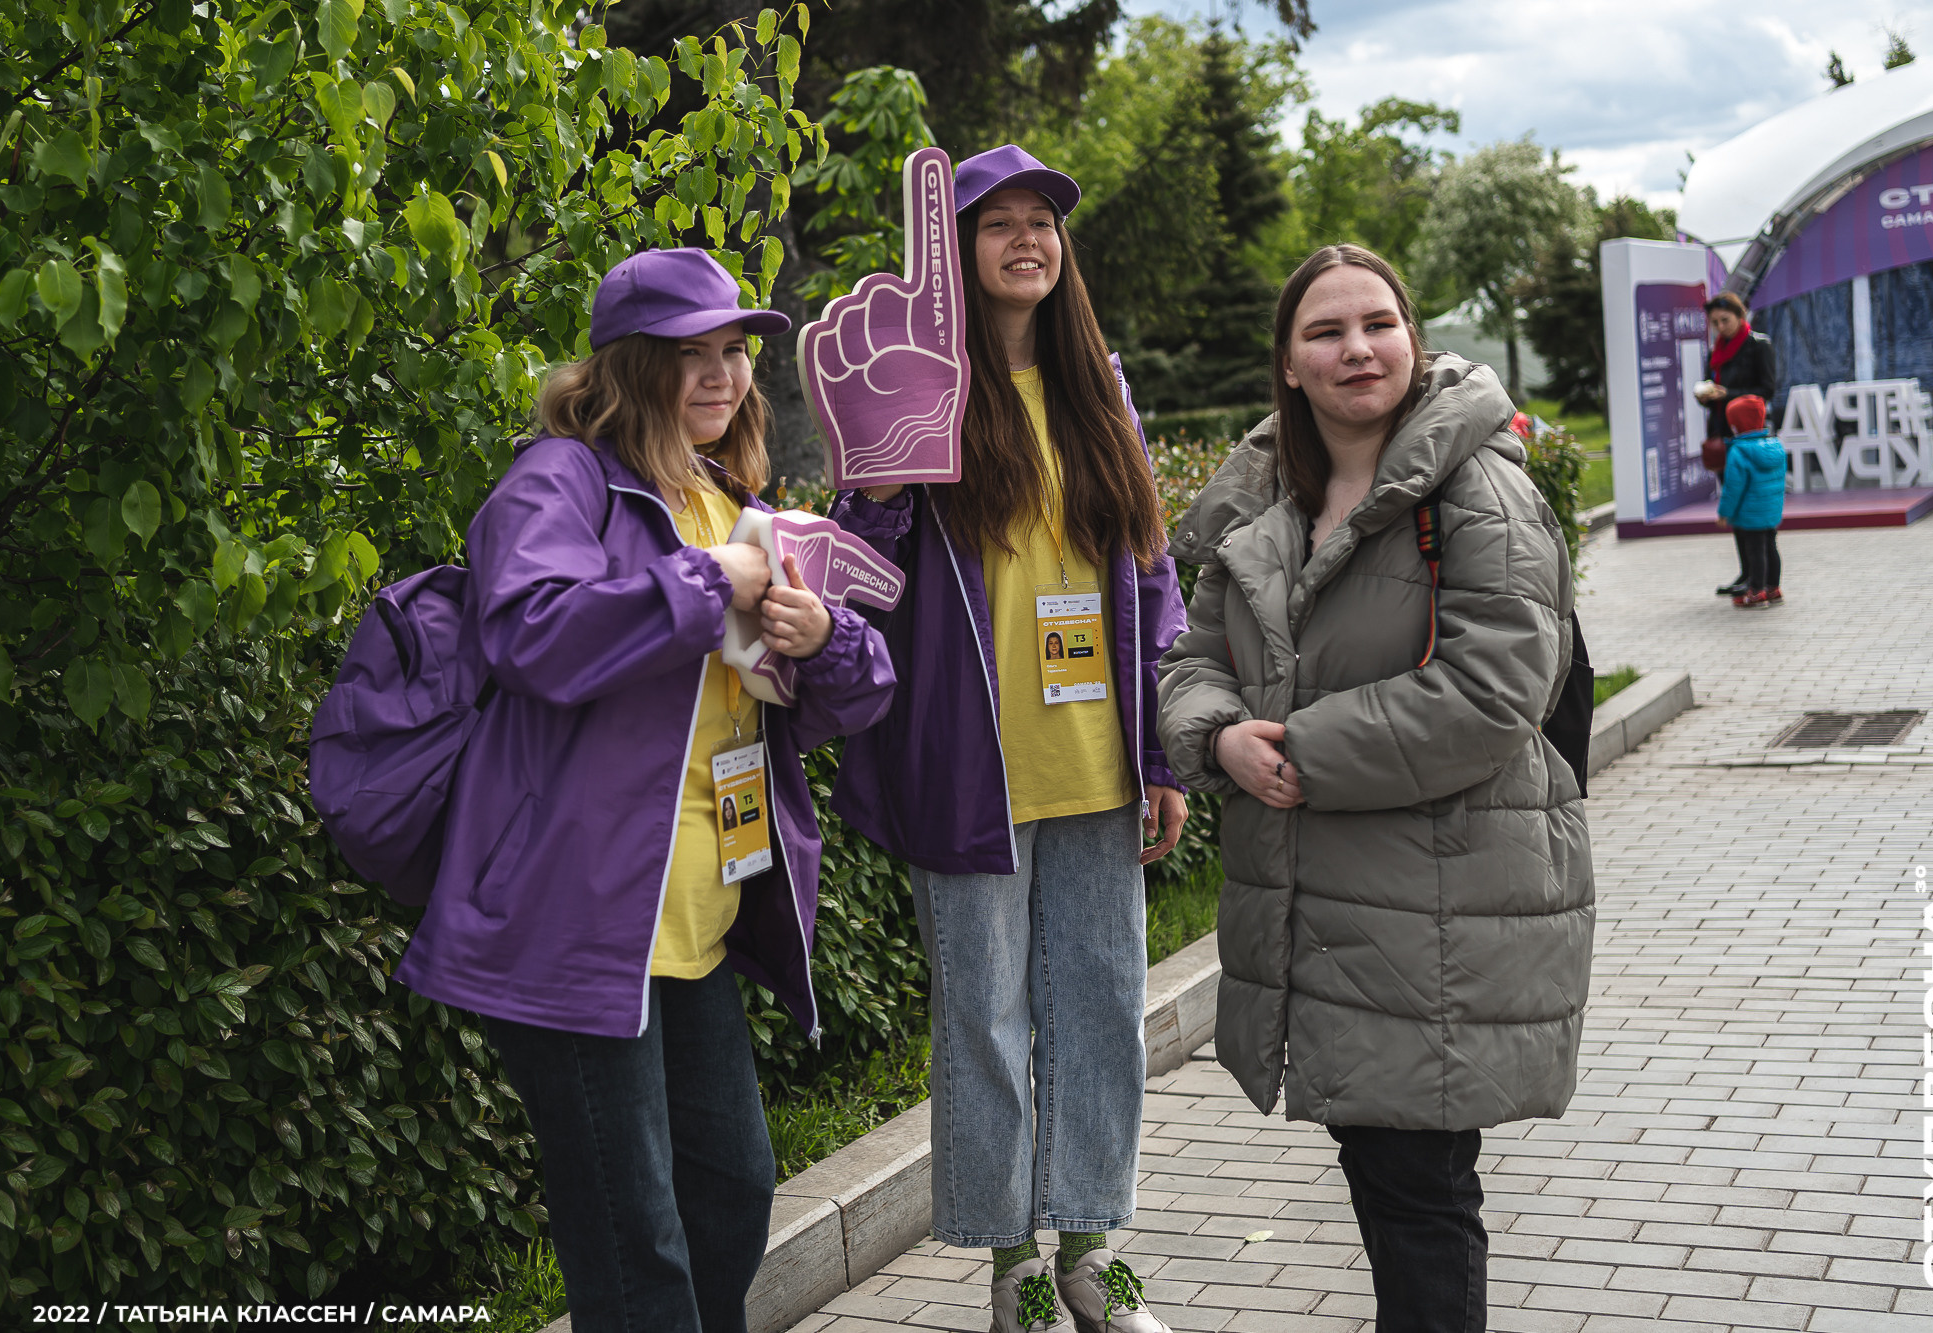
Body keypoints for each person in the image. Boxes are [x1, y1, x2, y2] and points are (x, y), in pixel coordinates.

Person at [392, 248, 896, 1333]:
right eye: (691, 354)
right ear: (631, 366)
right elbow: (533, 633)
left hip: (694, 920)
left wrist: (825, 639)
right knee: (635, 1239)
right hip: (575, 920)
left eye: (733, 353)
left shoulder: (731, 498)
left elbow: (836, 697)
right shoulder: (560, 479)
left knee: (730, 1191)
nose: (722, 376)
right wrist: (712, 582)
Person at [1156, 244, 1594, 1333]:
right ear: (1289, 366)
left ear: (1412, 339)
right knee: (1390, 1175)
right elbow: (1192, 654)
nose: (1356, 348)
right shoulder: (1260, 495)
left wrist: (1295, 747)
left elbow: (1494, 693)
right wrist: (1215, 741)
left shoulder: (1476, 490)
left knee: (1417, 1191)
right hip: (1335, 907)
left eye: (1376, 324)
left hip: (1440, 901)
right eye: (1324, 332)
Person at [829, 144, 1189, 1333]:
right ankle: (1011, 1271)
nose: (1026, 240)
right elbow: (862, 566)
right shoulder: (922, 387)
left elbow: (1150, 571)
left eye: (1043, 222)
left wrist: (1160, 751)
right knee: (981, 1019)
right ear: (956, 250)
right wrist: (877, 469)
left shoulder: (1099, 385)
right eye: (999, 225)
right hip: (971, 762)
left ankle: (1093, 1251)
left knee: (1099, 1006)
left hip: (1092, 758)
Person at [1696, 291, 1778, 596]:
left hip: (1749, 437)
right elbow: (1712, 391)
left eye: (1725, 320)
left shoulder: (1758, 345)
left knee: (1754, 509)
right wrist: (1706, 396)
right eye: (1715, 322)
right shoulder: (1715, 351)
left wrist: (1725, 393)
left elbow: (1766, 390)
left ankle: (1764, 578)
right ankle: (1749, 574)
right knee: (1737, 507)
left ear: (1740, 316)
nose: (1720, 327)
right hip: (1724, 436)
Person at [1715, 394, 1786, 607]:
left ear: (1737, 424)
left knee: (1755, 553)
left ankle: (1756, 591)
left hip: (1749, 513)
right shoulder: (1776, 447)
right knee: (1771, 547)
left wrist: (1724, 513)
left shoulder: (1739, 452)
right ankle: (1773, 588)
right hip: (1771, 510)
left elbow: (1733, 488)